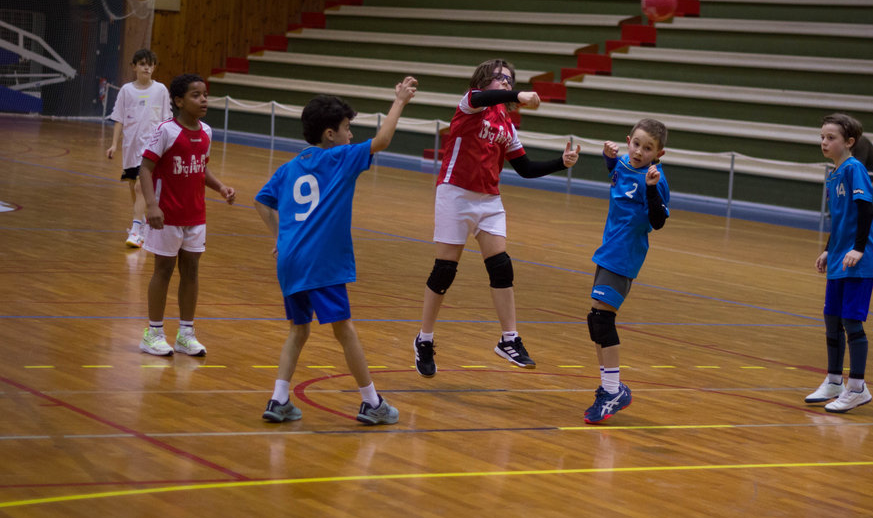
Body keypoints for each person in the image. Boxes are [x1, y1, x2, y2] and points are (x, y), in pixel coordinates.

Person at [254, 77, 418, 425]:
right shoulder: (340, 158)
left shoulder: (289, 168)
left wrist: (281, 239)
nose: (351, 135)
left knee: (299, 330)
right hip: (321, 263)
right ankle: (372, 402)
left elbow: (261, 201)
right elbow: (382, 140)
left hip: (290, 262)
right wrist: (400, 101)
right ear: (330, 134)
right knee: (344, 330)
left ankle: (279, 399)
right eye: (346, 128)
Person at [412, 59, 580, 377]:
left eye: (510, 79)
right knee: (445, 270)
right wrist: (518, 95)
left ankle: (509, 339)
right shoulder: (470, 103)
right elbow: (483, 97)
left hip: (489, 199)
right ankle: (425, 338)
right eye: (499, 77)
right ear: (483, 79)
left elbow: (525, 168)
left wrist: (561, 162)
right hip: (455, 193)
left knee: (501, 266)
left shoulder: (507, 125)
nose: (505, 82)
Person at [138, 74, 236, 357]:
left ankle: (186, 334)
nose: (203, 99)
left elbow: (200, 166)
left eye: (205, 94)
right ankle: (153, 333)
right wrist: (151, 205)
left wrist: (220, 187)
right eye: (196, 95)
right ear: (179, 101)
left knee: (191, 271)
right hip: (166, 216)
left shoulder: (206, 131)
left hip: (195, 215)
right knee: (163, 270)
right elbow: (145, 168)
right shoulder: (166, 131)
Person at [583, 118, 670, 424]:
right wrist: (608, 157)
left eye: (648, 149)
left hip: (625, 255)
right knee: (596, 321)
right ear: (628, 140)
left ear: (659, 154)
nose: (639, 152)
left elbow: (658, 221)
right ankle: (610, 388)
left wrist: (651, 190)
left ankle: (613, 391)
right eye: (636, 144)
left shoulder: (655, 180)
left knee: (602, 320)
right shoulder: (622, 163)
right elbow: (616, 175)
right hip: (608, 251)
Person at [805, 112, 873, 413]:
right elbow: (840, 219)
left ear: (849, 141)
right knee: (832, 319)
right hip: (838, 258)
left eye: (831, 137)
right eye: (822, 137)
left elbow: (865, 210)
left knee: (851, 322)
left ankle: (857, 387)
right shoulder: (833, 174)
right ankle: (834, 380)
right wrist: (828, 249)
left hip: (858, 261)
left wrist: (858, 248)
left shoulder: (854, 169)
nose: (824, 142)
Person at [105, 49, 172, 248]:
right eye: (142, 64)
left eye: (150, 65)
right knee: (134, 189)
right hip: (130, 147)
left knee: (140, 187)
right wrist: (114, 144)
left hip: (152, 148)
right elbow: (119, 118)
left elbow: (167, 120)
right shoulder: (126, 90)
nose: (147, 68)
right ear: (134, 67)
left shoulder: (160, 90)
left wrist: (168, 146)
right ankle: (142, 225)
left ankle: (135, 230)